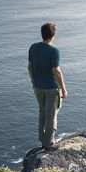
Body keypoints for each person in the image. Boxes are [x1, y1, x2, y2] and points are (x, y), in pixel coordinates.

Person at [27, 22, 68, 151]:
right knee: (51, 116)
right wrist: (63, 89)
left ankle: (42, 140)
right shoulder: (54, 51)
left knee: (42, 113)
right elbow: (57, 71)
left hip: (37, 87)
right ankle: (49, 143)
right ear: (53, 35)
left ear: (42, 34)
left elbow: (29, 67)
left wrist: (34, 81)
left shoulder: (33, 47)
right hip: (51, 88)